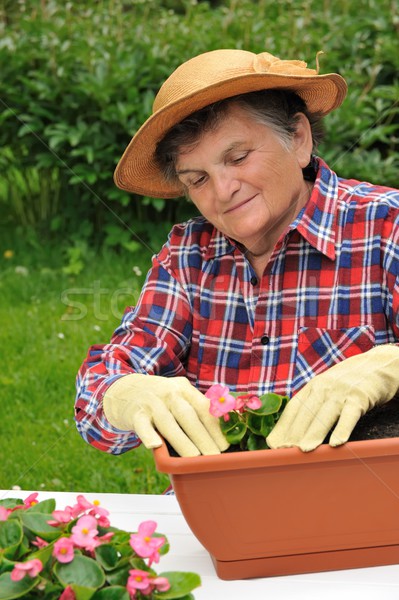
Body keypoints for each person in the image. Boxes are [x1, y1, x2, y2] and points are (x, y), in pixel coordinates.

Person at [75, 48, 399, 459]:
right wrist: (122, 393)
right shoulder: (189, 254)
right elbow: (102, 401)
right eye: (198, 178)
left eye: (238, 157)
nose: (222, 190)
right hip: (213, 510)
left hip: (362, 504)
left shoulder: (387, 226)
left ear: (298, 140)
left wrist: (391, 364)